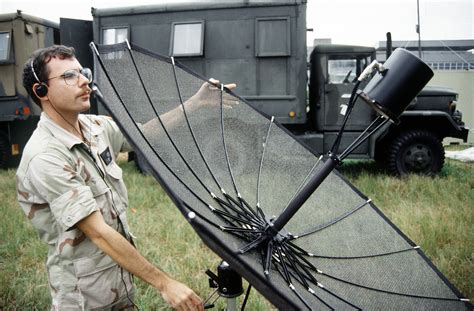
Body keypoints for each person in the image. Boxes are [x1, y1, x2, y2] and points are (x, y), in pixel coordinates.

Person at [16, 45, 234, 310]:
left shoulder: (94, 126)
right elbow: (98, 233)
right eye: (69, 76)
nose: (85, 80)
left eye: (82, 72)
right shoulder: (45, 156)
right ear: (41, 92)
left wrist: (195, 104)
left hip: (119, 281)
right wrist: (165, 283)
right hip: (83, 296)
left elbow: (142, 134)